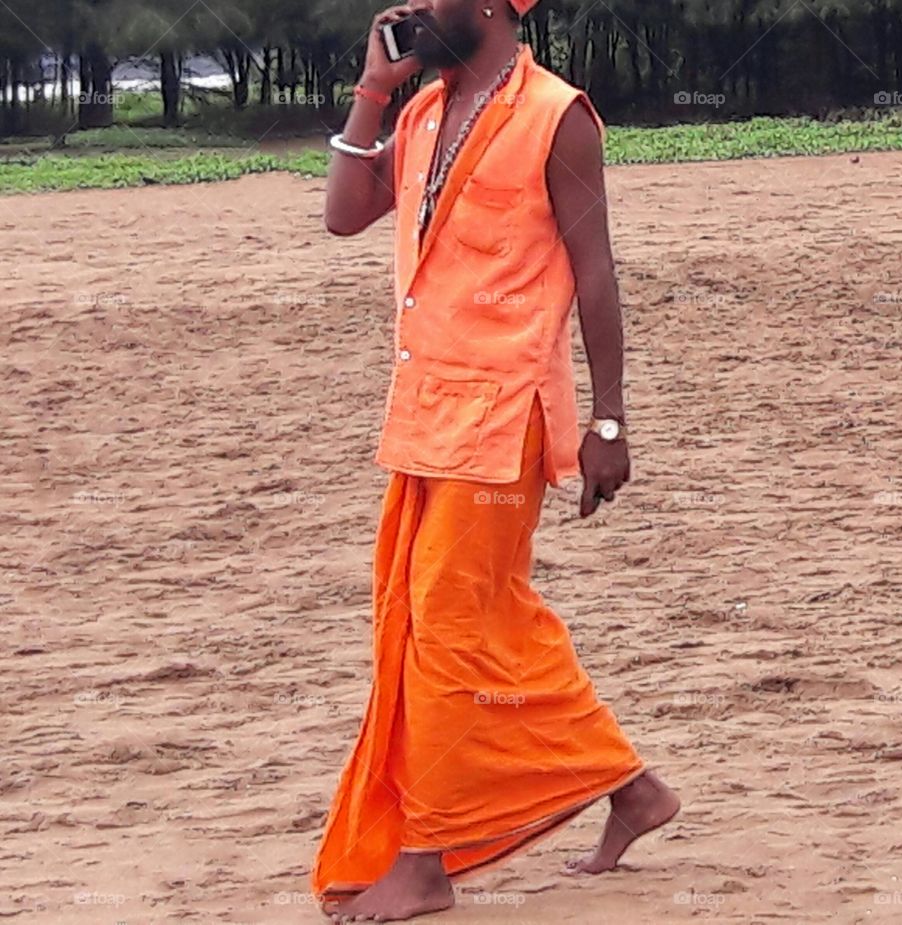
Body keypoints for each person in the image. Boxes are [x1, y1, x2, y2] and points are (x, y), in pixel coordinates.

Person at [313, 1, 680, 920]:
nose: (407, 9)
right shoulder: (425, 110)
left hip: (505, 415)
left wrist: (608, 422)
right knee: (471, 618)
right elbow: (343, 216)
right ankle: (631, 788)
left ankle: (428, 855)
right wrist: (372, 87)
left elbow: (596, 272)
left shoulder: (560, 117)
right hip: (424, 412)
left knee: (444, 626)